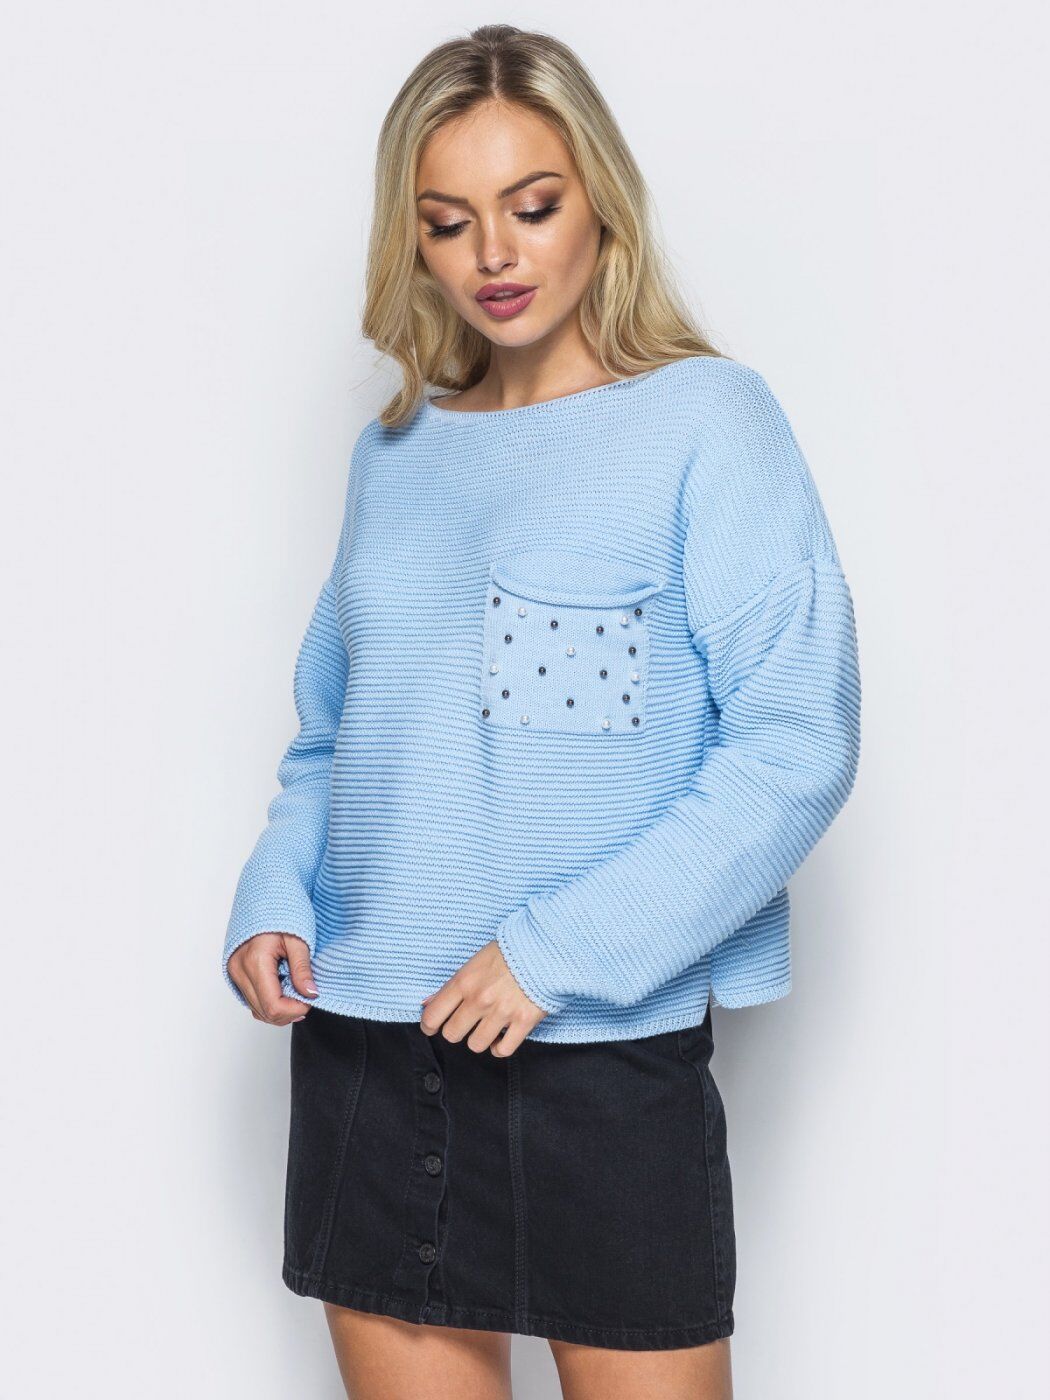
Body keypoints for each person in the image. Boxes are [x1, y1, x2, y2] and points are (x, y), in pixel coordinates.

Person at [221, 23, 861, 1400]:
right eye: (448, 222)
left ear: (601, 206)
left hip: (595, 1059)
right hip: (367, 1044)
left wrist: (553, 953)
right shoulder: (396, 453)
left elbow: (796, 740)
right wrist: (277, 893)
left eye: (532, 206)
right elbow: (335, 734)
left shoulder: (707, 422)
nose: (493, 256)